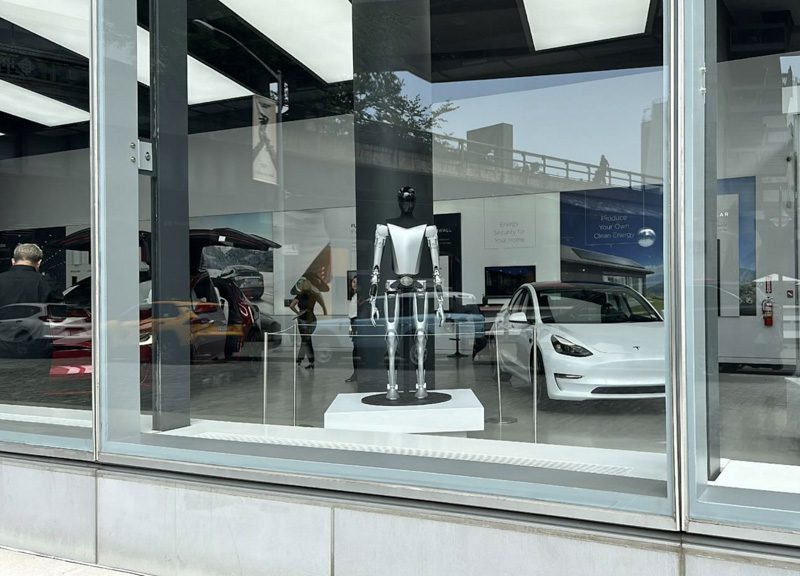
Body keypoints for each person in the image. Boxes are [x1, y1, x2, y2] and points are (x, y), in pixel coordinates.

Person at [289, 277, 327, 369]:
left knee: (306, 340)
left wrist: (298, 313)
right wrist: (324, 310)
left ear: (302, 287)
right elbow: (321, 302)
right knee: (306, 340)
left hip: (302, 320)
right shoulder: (314, 295)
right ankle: (308, 361)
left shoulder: (299, 296)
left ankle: (302, 360)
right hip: (312, 319)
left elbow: (291, 305)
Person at [346, 275, 360, 383]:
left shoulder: (360, 296)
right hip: (354, 323)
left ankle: (357, 374)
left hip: (358, 324)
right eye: (353, 282)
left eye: (356, 282)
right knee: (356, 351)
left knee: (357, 351)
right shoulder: (354, 295)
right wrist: (350, 327)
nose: (354, 284)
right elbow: (351, 315)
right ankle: (356, 373)